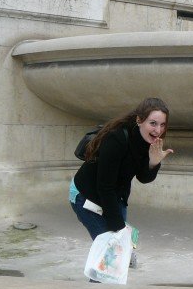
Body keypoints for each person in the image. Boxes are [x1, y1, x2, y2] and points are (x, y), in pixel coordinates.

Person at [69, 97, 173, 272]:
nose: (158, 130)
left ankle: (120, 260)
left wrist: (153, 162)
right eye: (153, 123)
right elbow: (105, 186)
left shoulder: (148, 141)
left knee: (118, 252)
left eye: (162, 125)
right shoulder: (117, 137)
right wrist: (118, 228)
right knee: (109, 253)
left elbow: (143, 177)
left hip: (115, 196)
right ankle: (102, 282)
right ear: (139, 120)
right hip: (86, 197)